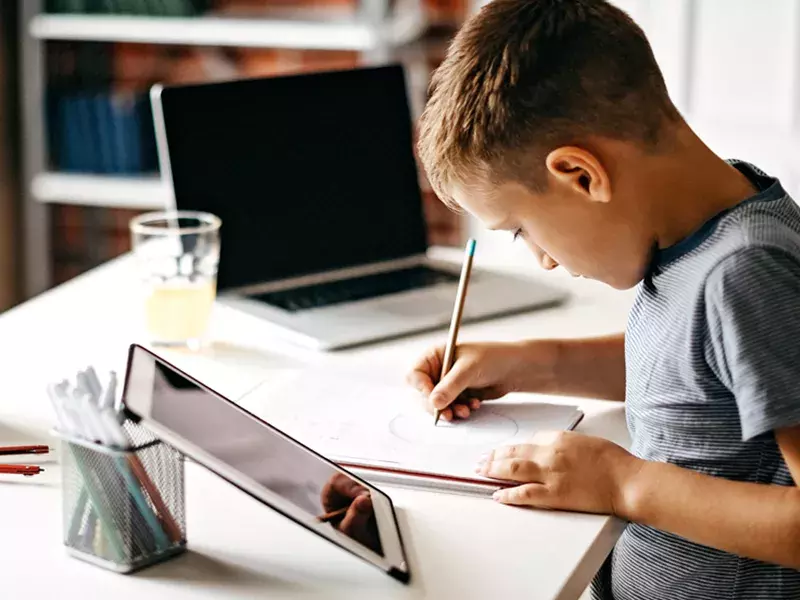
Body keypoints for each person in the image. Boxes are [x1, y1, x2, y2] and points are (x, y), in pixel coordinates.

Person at [407, 1, 800, 598]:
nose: (539, 257)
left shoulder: (746, 271)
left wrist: (625, 486)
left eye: (520, 228)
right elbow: (703, 374)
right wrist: (536, 362)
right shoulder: (696, 234)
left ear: (581, 175)